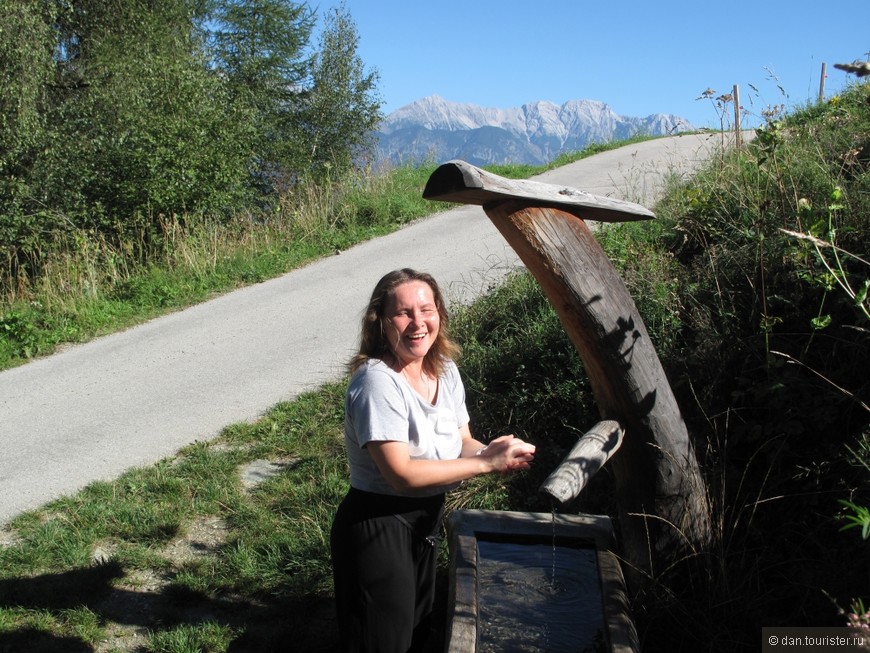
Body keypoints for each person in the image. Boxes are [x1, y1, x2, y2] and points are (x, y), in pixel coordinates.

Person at [330, 268, 536, 653]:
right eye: (403, 313)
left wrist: (493, 454)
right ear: (381, 323)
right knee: (383, 641)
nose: (417, 322)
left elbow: (462, 443)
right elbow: (402, 475)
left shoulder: (443, 370)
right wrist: (485, 465)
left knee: (417, 633)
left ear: (439, 313)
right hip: (378, 524)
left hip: (425, 518)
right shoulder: (376, 382)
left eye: (426, 309)